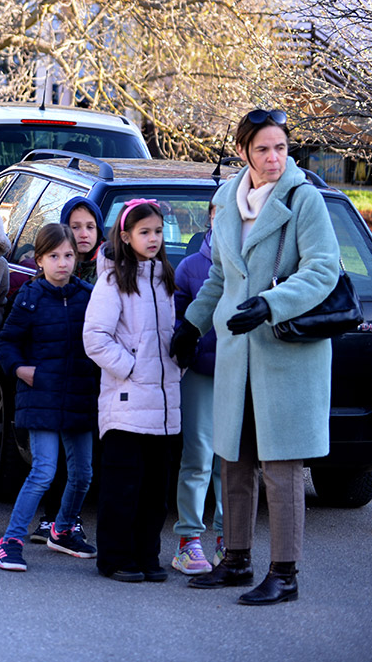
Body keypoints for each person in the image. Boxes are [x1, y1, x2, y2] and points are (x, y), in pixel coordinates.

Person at [175, 109, 339, 605]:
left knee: (282, 467)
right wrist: (193, 324)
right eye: (263, 149)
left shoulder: (303, 198)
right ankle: (237, 561)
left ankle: (285, 574)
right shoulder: (227, 197)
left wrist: (270, 304)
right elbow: (219, 278)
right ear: (243, 151)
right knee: (235, 460)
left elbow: (324, 270)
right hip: (236, 355)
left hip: (286, 356)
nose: (273, 158)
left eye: (281, 148)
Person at [84, 199, 182, 583]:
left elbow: (167, 338)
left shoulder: (165, 279)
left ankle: (146, 554)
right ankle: (115, 557)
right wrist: (132, 367)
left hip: (163, 406)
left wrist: (179, 358)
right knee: (123, 486)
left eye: (158, 231)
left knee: (155, 491)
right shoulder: (113, 281)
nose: (153, 238)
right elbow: (95, 338)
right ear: (126, 236)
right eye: (144, 232)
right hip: (125, 404)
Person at [0, 225, 99, 572]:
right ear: (39, 260)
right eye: (54, 256)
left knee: (83, 473)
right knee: (43, 471)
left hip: (79, 397)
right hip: (41, 397)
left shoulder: (88, 294)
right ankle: (10, 540)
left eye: (68, 255)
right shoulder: (30, 297)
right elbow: (6, 342)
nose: (63, 263)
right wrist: (21, 370)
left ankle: (63, 529)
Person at [170, 201, 224, 576]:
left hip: (241, 377)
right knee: (199, 457)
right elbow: (177, 324)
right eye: (220, 212)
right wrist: (195, 349)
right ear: (210, 217)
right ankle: (189, 540)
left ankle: (229, 539)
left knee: (232, 462)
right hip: (201, 375)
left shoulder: (251, 260)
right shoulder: (190, 267)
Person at [62, 196, 105, 283]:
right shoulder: (52, 264)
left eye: (90, 227)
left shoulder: (112, 268)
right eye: (75, 227)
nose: (84, 235)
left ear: (98, 231)